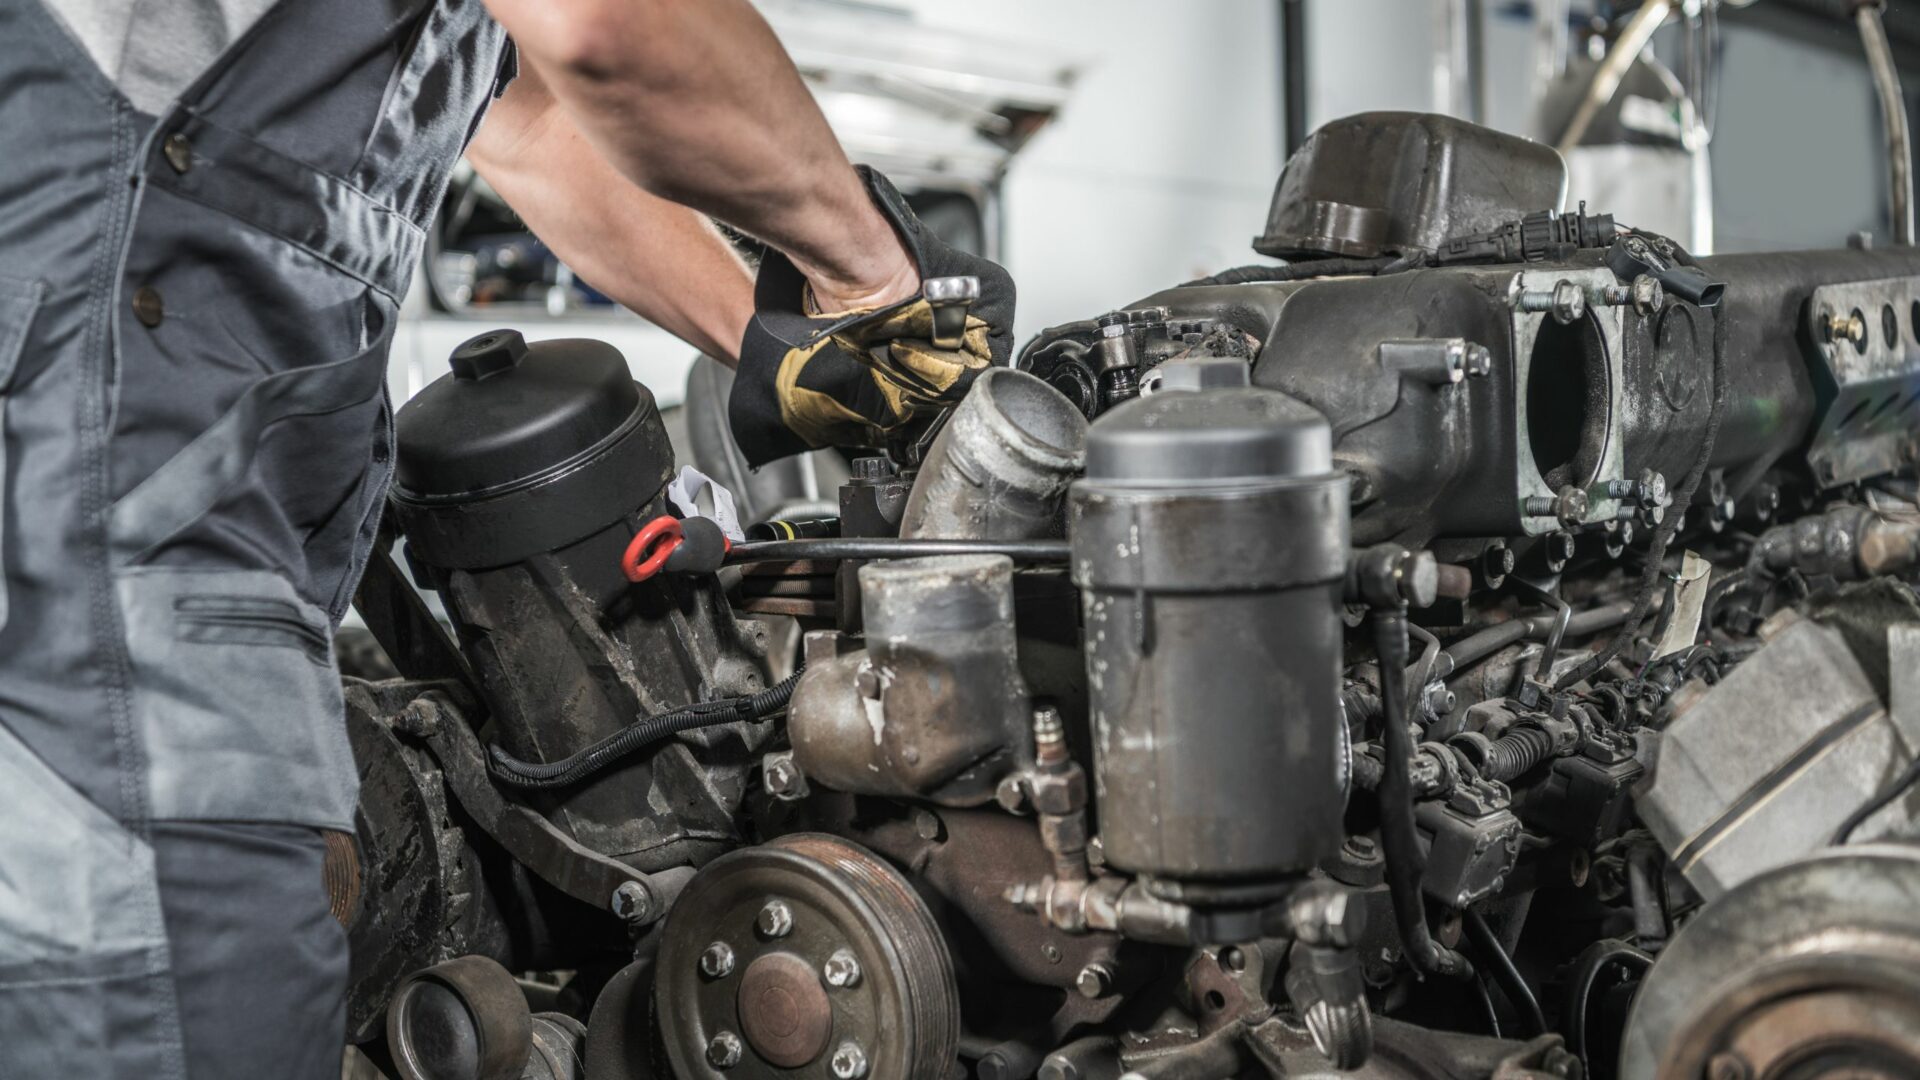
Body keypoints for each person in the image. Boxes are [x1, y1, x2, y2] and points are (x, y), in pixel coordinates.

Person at [0, 0, 1013, 1075]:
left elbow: (530, 128)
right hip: (99, 513)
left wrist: (793, 355)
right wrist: (875, 276)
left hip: (164, 514)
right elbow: (607, 25)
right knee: (202, 1013)